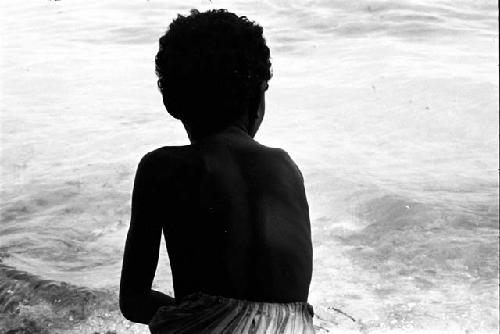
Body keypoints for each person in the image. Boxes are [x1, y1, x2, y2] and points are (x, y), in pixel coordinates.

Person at [119, 9, 314, 333]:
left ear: (173, 101)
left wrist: (197, 314)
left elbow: (133, 301)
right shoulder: (287, 167)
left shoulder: (160, 167)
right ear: (256, 99)